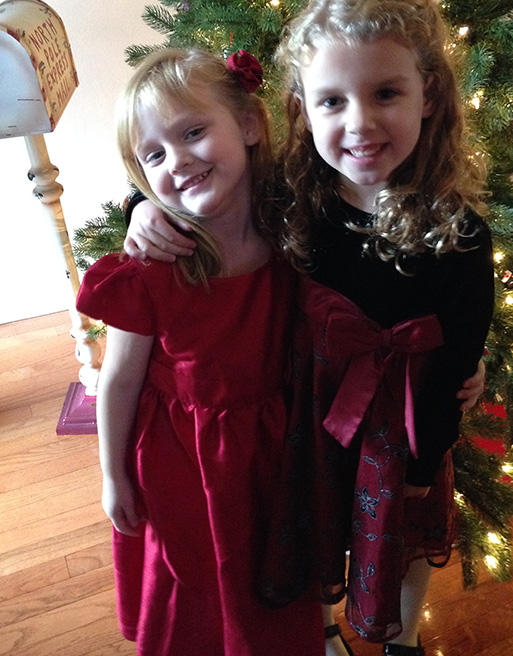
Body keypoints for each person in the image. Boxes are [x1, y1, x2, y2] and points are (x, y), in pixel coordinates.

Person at [122, 0, 494, 656]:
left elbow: (462, 347)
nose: (360, 123)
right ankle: (321, 632)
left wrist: (425, 457)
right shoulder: (295, 195)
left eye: (386, 93)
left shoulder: (459, 231)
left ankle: (403, 639)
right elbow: (205, 185)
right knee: (317, 529)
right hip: (310, 417)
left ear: (430, 96)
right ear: (301, 110)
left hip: (408, 426)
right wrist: (140, 207)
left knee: (406, 540)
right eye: (332, 101)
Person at [75, 47, 334, 656]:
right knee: (192, 596)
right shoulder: (154, 269)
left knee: (269, 583)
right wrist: (113, 476)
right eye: (154, 155)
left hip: (276, 456)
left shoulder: (296, 233)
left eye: (193, 133)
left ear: (249, 124)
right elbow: (118, 381)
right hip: (183, 466)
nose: (178, 160)